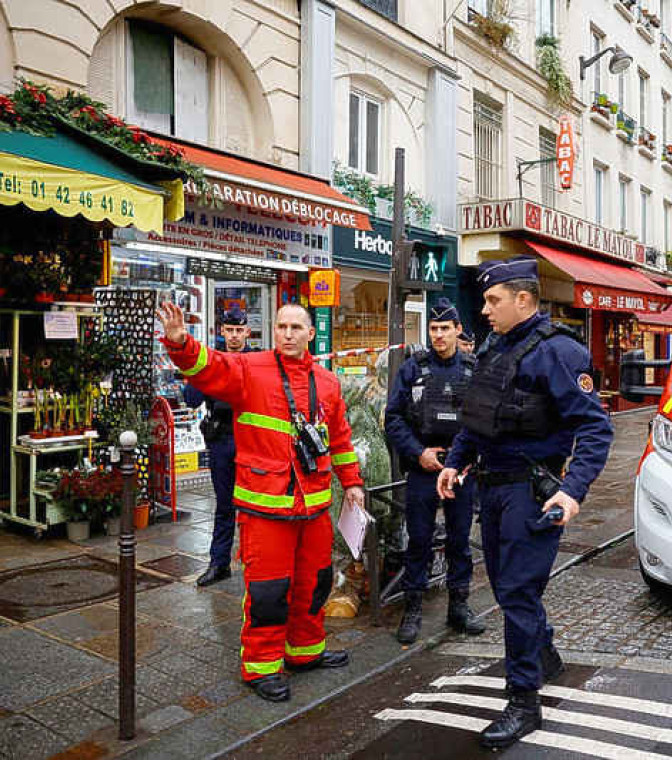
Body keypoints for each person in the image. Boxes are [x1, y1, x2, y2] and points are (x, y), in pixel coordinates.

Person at [436, 256, 613, 749]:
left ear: (523, 299)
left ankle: (523, 702)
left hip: (530, 493)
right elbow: (478, 417)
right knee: (509, 588)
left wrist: (572, 489)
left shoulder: (556, 352)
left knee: (515, 594)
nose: (485, 310)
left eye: (493, 301)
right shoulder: (497, 345)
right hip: (491, 490)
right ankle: (546, 655)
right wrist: (455, 461)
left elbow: (596, 427)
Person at [157, 301, 365, 704]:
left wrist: (352, 483)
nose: (287, 334)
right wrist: (180, 342)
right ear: (274, 331)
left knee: (314, 585)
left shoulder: (327, 382)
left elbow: (339, 439)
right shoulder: (249, 369)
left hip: (315, 507)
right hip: (264, 508)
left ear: (310, 334)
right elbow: (209, 367)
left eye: (295, 327)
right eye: (281, 326)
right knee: (268, 594)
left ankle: (304, 652)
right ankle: (261, 665)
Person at [384, 297, 484, 645]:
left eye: (445, 328)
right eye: (433, 328)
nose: (438, 335)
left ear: (458, 330)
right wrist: (419, 452)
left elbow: (485, 421)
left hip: (460, 472)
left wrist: (465, 459)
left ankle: (459, 607)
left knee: (459, 541)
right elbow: (393, 419)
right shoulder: (413, 367)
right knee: (419, 541)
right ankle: (412, 610)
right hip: (424, 469)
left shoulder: (474, 369)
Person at [182, 305, 251, 587]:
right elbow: (191, 398)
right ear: (221, 331)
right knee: (224, 505)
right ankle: (219, 563)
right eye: (229, 331)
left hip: (251, 440)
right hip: (222, 438)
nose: (234, 336)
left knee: (253, 507)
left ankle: (255, 564)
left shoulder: (258, 360)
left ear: (247, 331)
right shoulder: (212, 360)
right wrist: (205, 371)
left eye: (239, 330)